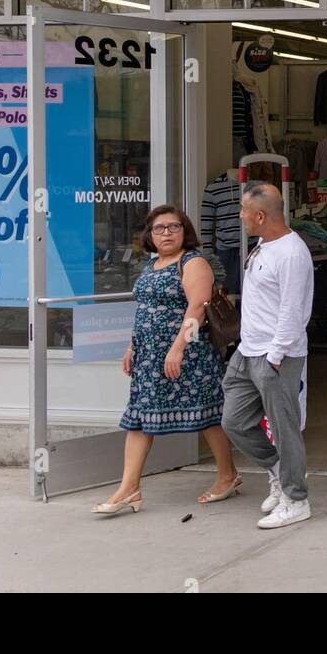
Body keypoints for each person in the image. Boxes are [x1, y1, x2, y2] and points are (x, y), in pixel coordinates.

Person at [92, 206, 238, 516]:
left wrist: (178, 348)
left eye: (174, 227)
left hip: (188, 354)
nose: (167, 233)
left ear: (185, 231)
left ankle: (228, 477)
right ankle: (128, 488)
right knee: (140, 418)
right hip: (149, 357)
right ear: (149, 235)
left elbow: (197, 309)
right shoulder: (152, 263)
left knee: (208, 416)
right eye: (159, 228)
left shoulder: (193, 262)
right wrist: (133, 346)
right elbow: (145, 309)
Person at [222, 181, 315, 529]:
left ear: (260, 216)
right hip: (248, 352)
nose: (241, 217)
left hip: (277, 355)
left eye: (244, 212)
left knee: (284, 428)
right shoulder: (264, 244)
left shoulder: (291, 253)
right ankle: (278, 472)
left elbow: (294, 312)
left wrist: (275, 356)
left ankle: (296, 499)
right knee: (234, 421)